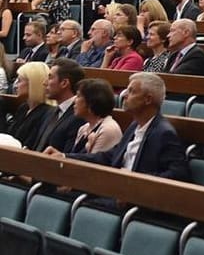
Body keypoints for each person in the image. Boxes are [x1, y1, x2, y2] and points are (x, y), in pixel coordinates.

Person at [62, 72, 190, 181]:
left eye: (131, 91)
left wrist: (134, 181)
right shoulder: (134, 125)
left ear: (148, 99)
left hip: (136, 201)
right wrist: (65, 157)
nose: (124, 95)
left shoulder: (163, 133)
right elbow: (110, 156)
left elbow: (178, 174)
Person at [30, 58, 85, 153]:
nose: (44, 83)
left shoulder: (79, 117)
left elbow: (67, 157)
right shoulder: (50, 111)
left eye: (50, 77)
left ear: (64, 83)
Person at [63, 77, 122, 155]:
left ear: (91, 101)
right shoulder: (83, 128)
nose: (74, 100)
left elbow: (93, 163)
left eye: (78, 96)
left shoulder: (108, 129)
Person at [6, 61, 55, 149]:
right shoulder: (24, 108)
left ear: (33, 84)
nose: (16, 85)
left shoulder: (47, 114)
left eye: (20, 80)